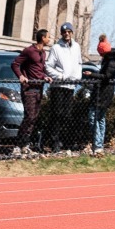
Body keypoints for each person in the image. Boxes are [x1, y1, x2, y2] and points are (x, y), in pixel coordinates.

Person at [44, 21, 84, 153]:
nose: (66, 34)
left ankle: (64, 141)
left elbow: (79, 63)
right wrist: (60, 76)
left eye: (69, 32)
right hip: (58, 86)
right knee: (57, 114)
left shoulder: (76, 47)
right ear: (61, 33)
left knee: (67, 115)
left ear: (72, 33)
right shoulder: (56, 48)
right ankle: (54, 142)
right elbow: (48, 66)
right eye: (64, 32)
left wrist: (77, 77)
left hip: (70, 86)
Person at [10, 28, 50, 156]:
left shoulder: (43, 53)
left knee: (34, 118)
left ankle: (25, 145)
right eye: (48, 37)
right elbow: (15, 64)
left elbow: (39, 70)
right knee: (29, 116)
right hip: (29, 89)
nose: (49, 39)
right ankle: (17, 145)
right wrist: (21, 76)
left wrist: (45, 77)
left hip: (39, 88)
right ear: (42, 38)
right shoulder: (29, 51)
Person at [88, 34, 115, 154]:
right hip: (103, 90)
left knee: (94, 117)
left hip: (105, 91)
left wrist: (92, 75)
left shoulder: (112, 60)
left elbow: (107, 76)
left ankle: (98, 144)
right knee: (100, 118)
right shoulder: (110, 59)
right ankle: (98, 144)